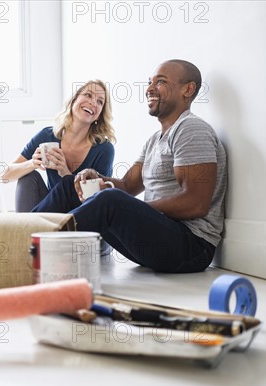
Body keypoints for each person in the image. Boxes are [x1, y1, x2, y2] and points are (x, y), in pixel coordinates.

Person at [33, 60, 227, 273]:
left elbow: (196, 203)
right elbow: (127, 185)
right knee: (73, 183)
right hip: (158, 240)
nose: (150, 89)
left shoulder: (191, 130)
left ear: (187, 89)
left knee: (109, 200)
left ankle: (32, 252)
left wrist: (130, 206)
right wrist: (97, 178)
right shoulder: (155, 139)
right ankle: (20, 233)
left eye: (160, 82)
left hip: (191, 248)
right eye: (150, 82)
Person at [1, 80, 116, 212]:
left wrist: (65, 173)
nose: (93, 103)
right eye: (88, 95)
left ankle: (30, 229)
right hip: (49, 209)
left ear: (99, 115)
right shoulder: (47, 136)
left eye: (100, 101)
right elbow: (4, 175)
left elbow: (98, 202)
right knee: (28, 176)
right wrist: (33, 163)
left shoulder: (104, 149)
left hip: (80, 215)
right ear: (73, 100)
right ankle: (27, 227)